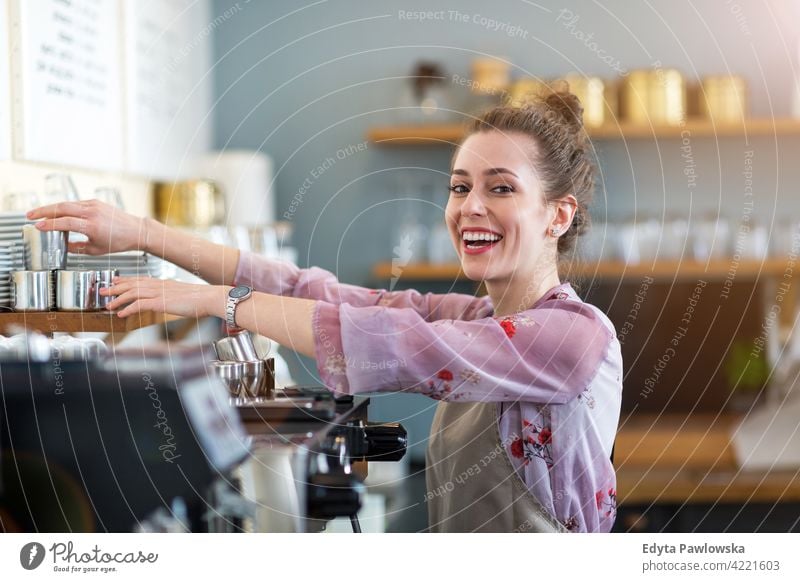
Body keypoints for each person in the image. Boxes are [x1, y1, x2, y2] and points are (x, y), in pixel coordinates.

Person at [28, 90, 622, 533]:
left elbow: (398, 342)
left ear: (558, 215)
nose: (470, 207)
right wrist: (144, 233)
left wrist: (219, 303)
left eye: (501, 188)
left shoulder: (577, 337)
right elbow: (317, 293)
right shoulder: (473, 318)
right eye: (460, 186)